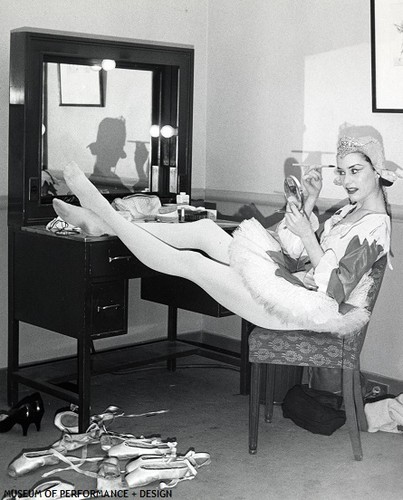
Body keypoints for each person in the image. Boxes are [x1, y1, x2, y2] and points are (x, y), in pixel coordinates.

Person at [52, 136, 399, 336]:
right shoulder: (348, 211)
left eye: (356, 171)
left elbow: (333, 289)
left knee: (192, 263)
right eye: (342, 172)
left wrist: (309, 236)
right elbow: (294, 252)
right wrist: (308, 203)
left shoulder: (376, 226)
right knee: (204, 230)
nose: (347, 180)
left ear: (377, 173)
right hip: (294, 283)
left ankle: (103, 214)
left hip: (308, 310)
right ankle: (106, 222)